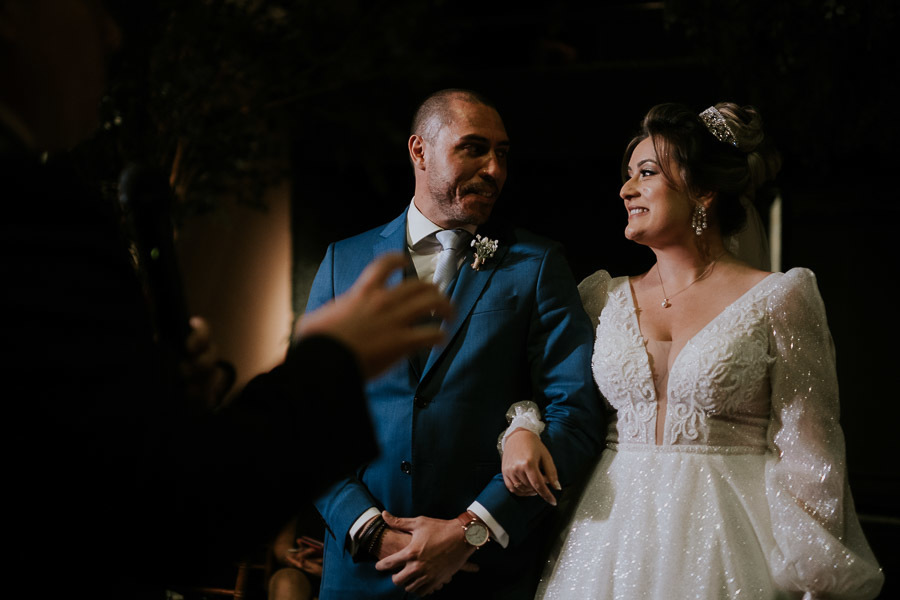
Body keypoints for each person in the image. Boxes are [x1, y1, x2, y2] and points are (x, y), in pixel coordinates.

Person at [0, 0, 452, 596]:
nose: (112, 36)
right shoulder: (29, 212)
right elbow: (169, 518)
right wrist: (331, 362)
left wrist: (152, 393)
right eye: (90, 9)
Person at [501, 102, 885, 599]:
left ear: (703, 191)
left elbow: (812, 452)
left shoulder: (780, 298)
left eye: (646, 173)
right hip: (609, 536)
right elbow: (555, 394)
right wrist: (522, 428)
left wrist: (816, 577)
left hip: (731, 537)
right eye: (626, 176)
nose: (626, 189)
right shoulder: (600, 296)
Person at [305, 88, 605, 599]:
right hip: (360, 573)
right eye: (473, 148)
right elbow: (307, 417)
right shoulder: (343, 263)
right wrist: (365, 527)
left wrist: (474, 528)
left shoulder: (536, 265)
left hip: (480, 576)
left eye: (503, 154)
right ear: (419, 151)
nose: (494, 169)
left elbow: (575, 415)